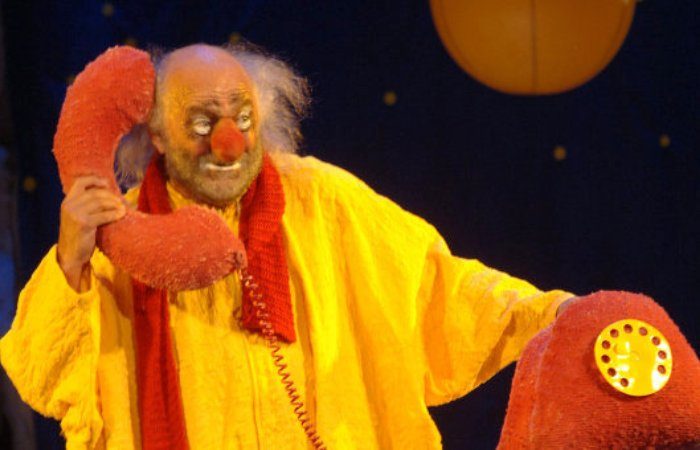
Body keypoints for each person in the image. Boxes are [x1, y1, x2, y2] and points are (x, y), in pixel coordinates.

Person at [0, 44, 573, 449]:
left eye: (243, 117)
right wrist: (71, 260)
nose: (229, 142)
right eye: (201, 124)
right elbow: (42, 374)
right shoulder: (114, 235)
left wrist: (560, 317)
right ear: (157, 135)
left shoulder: (323, 199)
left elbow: (440, 287)